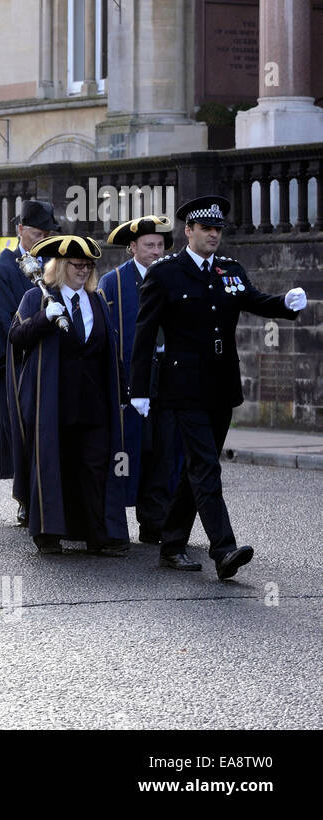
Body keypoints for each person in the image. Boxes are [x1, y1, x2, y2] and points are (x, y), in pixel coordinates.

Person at [130, 195, 308, 579]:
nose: (213, 235)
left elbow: (254, 300)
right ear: (188, 231)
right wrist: (139, 389)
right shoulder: (165, 273)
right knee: (206, 466)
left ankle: (172, 543)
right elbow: (143, 336)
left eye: (218, 229)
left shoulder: (229, 270)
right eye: (206, 229)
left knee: (194, 469)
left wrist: (287, 305)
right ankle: (223, 548)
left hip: (221, 385)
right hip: (184, 387)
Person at [8, 233, 130, 556]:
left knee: (93, 468)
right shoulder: (38, 298)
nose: (83, 271)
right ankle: (49, 534)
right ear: (61, 265)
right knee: (54, 466)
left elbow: (109, 349)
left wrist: (124, 388)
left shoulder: (97, 300)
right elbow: (16, 338)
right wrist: (43, 321)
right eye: (77, 265)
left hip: (92, 403)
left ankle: (96, 534)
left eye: (88, 266)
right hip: (54, 402)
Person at [0, 199, 59, 525]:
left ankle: (48, 494)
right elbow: (2, 320)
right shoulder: (3, 267)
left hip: (49, 360)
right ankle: (25, 497)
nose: (43, 239)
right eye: (38, 233)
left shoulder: (55, 262)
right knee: (20, 433)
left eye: (47, 233)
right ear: (20, 229)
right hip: (16, 363)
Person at [101, 215, 179, 543]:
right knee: (131, 451)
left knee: (164, 451)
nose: (155, 251)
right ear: (132, 247)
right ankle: (114, 525)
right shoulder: (113, 282)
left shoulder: (175, 277)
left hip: (168, 379)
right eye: (149, 245)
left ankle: (155, 522)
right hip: (130, 383)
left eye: (160, 246)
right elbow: (106, 337)